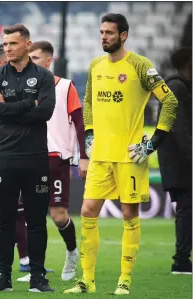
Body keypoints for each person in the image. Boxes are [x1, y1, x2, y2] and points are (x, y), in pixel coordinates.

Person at [63, 13, 178, 295]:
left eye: (110, 33)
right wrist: (89, 134)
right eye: (101, 32)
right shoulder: (95, 65)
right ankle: (86, 280)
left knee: (129, 214)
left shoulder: (140, 65)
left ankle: (124, 279)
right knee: (87, 211)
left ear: (123, 35)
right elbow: (88, 101)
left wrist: (152, 144)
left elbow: (170, 102)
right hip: (101, 154)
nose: (104, 37)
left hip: (130, 156)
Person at [0, 24, 56, 293]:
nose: (7, 49)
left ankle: (38, 276)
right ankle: (3, 276)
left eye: (12, 44)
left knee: (37, 220)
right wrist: (29, 104)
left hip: (35, 157)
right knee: (4, 219)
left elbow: (46, 112)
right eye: (5, 45)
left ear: (27, 45)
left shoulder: (43, 76)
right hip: (4, 157)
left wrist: (9, 108)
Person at [16, 40, 88, 283]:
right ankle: (38, 269)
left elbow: (80, 124)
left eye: (35, 58)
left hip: (56, 159)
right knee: (34, 216)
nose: (31, 62)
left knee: (58, 215)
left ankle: (71, 252)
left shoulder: (66, 87)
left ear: (48, 61)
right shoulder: (25, 87)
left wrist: (84, 157)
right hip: (30, 159)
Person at [0, 44, 30, 273]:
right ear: (1, 62)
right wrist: (26, 107)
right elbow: (0, 112)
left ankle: (25, 259)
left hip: (24, 147)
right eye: (8, 54)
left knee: (21, 207)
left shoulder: (18, 81)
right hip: (3, 148)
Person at [157, 47, 192, 275]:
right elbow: (181, 130)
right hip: (180, 162)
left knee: (187, 209)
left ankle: (182, 258)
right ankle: (180, 260)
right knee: (187, 209)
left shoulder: (180, 87)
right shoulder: (177, 87)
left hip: (179, 160)